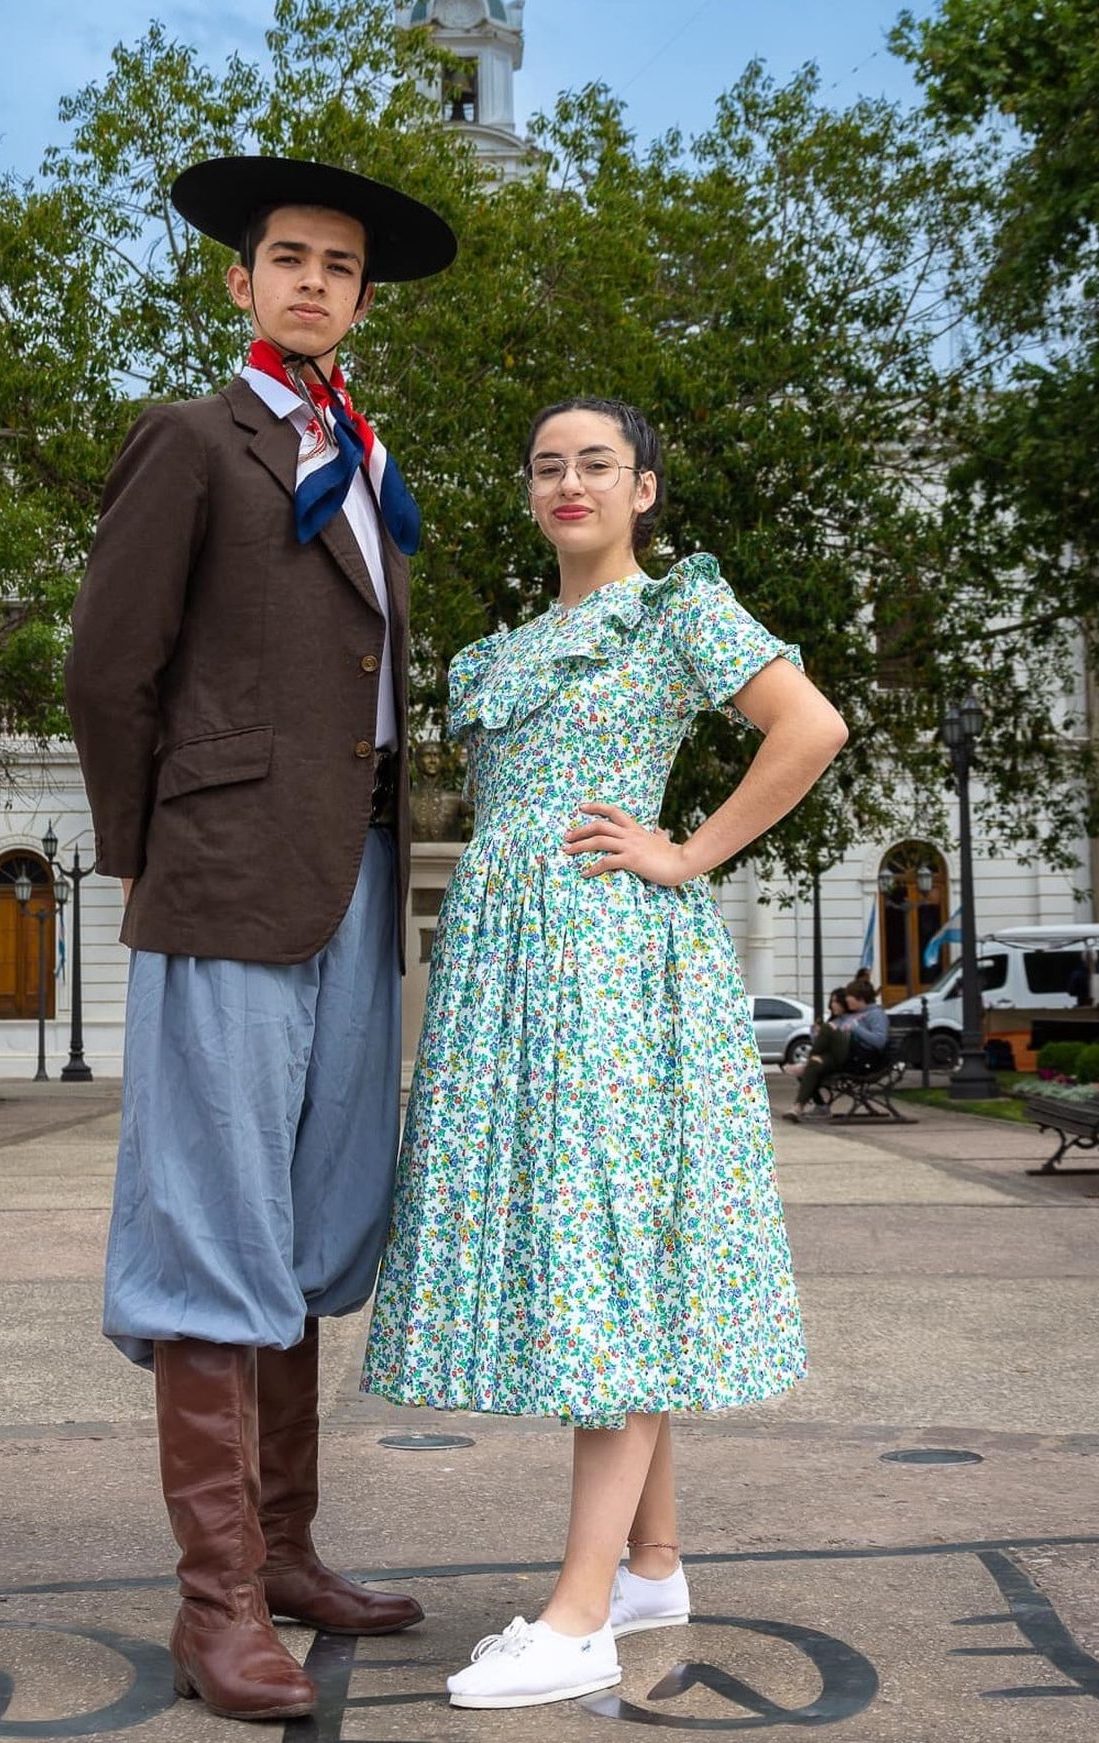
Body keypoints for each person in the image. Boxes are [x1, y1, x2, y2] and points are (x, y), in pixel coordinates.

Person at [361, 398, 847, 1710]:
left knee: (607, 1256)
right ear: (530, 493)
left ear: (645, 489)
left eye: (597, 464)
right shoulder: (509, 647)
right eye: (547, 465)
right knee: (597, 1243)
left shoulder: (680, 608)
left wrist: (686, 850)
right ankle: (651, 1562)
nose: (569, 481)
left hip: (618, 970)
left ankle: (579, 1616)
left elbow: (811, 727)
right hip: (512, 967)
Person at [64, 157, 457, 1724]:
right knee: (216, 1228)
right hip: (226, 878)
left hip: (354, 878)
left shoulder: (364, 458)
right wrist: (153, 860)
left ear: (362, 299)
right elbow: (108, 670)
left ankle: (288, 1550)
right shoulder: (193, 439)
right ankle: (212, 1603)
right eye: (283, 258)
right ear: (240, 283)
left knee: (306, 1222)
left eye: (337, 266)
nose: (309, 281)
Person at [784, 974, 890, 1121]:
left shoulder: (875, 1014)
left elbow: (880, 1041)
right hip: (842, 1056)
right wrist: (816, 1035)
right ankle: (799, 1108)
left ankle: (806, 1063)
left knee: (828, 1028)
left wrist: (856, 1028)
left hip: (861, 1059)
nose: (846, 999)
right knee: (815, 1064)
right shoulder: (853, 1015)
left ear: (860, 997)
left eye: (849, 996)